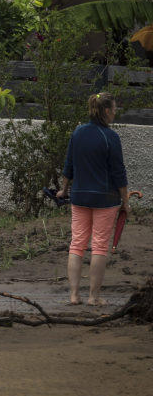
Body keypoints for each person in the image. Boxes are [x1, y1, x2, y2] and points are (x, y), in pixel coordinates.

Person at [56, 92, 129, 307]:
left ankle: (74, 295)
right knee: (99, 247)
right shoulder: (111, 137)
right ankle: (93, 297)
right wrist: (126, 201)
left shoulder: (78, 132)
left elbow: (69, 165)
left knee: (77, 245)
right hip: (105, 199)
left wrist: (63, 190)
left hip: (79, 197)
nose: (115, 112)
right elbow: (119, 173)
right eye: (114, 109)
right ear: (106, 111)